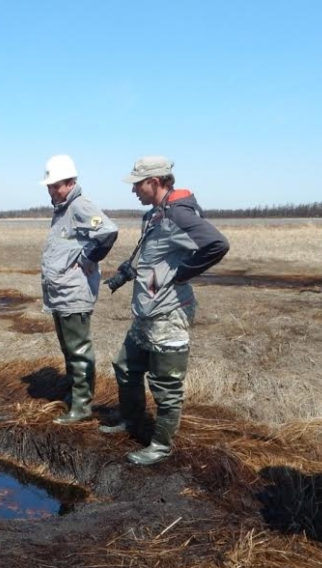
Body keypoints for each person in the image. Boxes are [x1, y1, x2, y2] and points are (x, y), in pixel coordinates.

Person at [100, 156, 229, 465]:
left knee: (165, 385)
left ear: (154, 182)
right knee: (126, 367)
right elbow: (156, 258)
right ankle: (130, 420)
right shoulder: (155, 216)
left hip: (169, 314)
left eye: (137, 184)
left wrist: (182, 273)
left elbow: (217, 244)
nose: (133, 191)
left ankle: (160, 445)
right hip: (146, 312)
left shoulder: (179, 215)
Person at [39, 154, 119, 424]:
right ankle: (75, 394)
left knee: (78, 349)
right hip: (60, 293)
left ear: (71, 182)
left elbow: (107, 231)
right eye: (50, 186)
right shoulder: (63, 209)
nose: (52, 190)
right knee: (68, 348)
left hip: (74, 293)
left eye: (56, 185)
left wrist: (88, 258)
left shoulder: (79, 205)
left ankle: (83, 406)